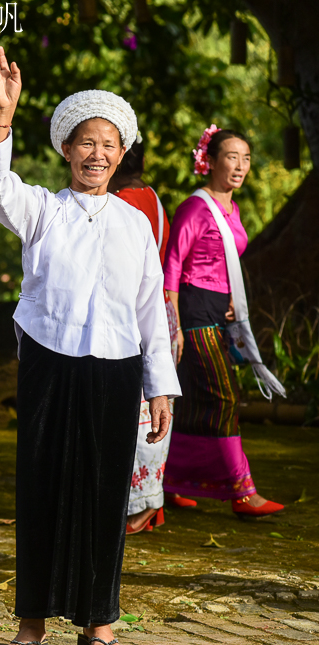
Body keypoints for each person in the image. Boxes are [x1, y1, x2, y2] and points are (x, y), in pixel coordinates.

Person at [0, 49, 179, 645]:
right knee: (40, 489)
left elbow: (149, 311)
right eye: (86, 142)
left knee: (105, 492)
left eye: (108, 145)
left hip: (116, 371)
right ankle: (30, 622)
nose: (97, 154)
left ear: (121, 154)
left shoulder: (136, 224)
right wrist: (2, 116)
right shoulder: (40, 209)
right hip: (48, 362)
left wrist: (159, 386)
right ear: (66, 148)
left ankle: (99, 621)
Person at [161, 125, 284, 518]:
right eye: (232, 157)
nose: (241, 166)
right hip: (193, 313)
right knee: (225, 396)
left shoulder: (232, 208)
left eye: (246, 158)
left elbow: (224, 262)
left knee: (197, 402)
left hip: (219, 312)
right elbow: (173, 267)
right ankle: (240, 490)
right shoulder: (196, 208)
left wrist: (230, 297)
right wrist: (173, 326)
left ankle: (169, 480)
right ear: (209, 161)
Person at [108, 138, 180, 535]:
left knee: (136, 412)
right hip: (158, 311)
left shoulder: (120, 204)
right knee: (152, 406)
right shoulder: (153, 199)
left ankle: (140, 504)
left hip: (131, 312)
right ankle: (148, 500)